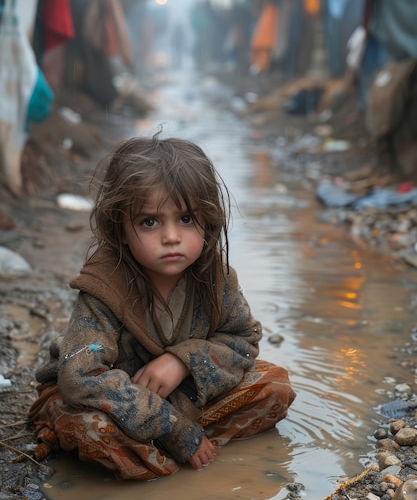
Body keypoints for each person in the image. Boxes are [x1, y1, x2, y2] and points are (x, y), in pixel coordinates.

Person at [28, 134, 296, 480]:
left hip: (182, 399)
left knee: (274, 387)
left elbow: (243, 342)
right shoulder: (105, 286)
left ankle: (160, 453)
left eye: (186, 219)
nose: (171, 236)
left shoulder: (217, 278)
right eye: (150, 222)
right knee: (93, 429)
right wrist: (174, 429)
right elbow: (81, 377)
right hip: (107, 403)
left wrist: (182, 362)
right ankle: (169, 446)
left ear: (208, 220)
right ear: (121, 228)